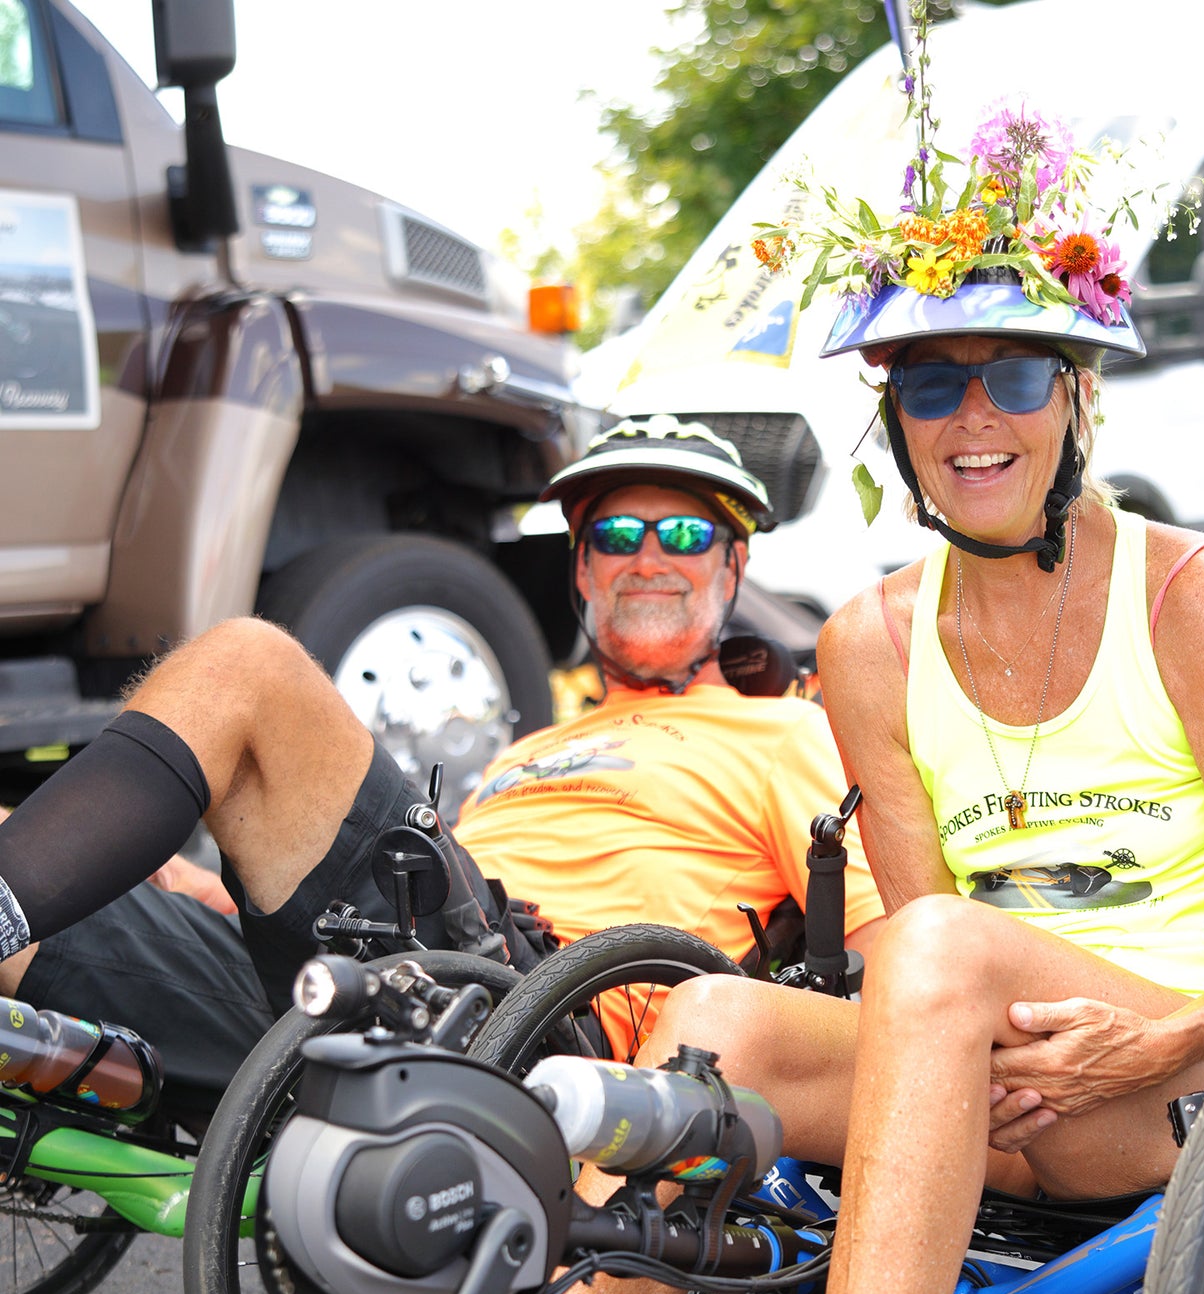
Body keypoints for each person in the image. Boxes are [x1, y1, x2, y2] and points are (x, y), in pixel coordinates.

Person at [467, 93, 1204, 1294]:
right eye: (932, 387)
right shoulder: (867, 643)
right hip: (984, 1078)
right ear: (895, 422)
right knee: (705, 1023)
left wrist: (1139, 1043)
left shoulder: (1196, 594)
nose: (974, 419)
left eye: (1013, 377)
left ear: (1078, 396)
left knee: (939, 953)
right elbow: (921, 962)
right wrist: (971, 1051)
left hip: (1199, 1085)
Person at [0, 416, 884, 1104]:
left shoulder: (785, 731)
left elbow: (880, 957)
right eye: (616, 536)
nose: (647, 558)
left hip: (541, 1011)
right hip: (378, 963)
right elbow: (405, 875)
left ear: (733, 569)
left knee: (248, 664)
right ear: (581, 570)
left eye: (685, 537)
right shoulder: (530, 747)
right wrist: (208, 882)